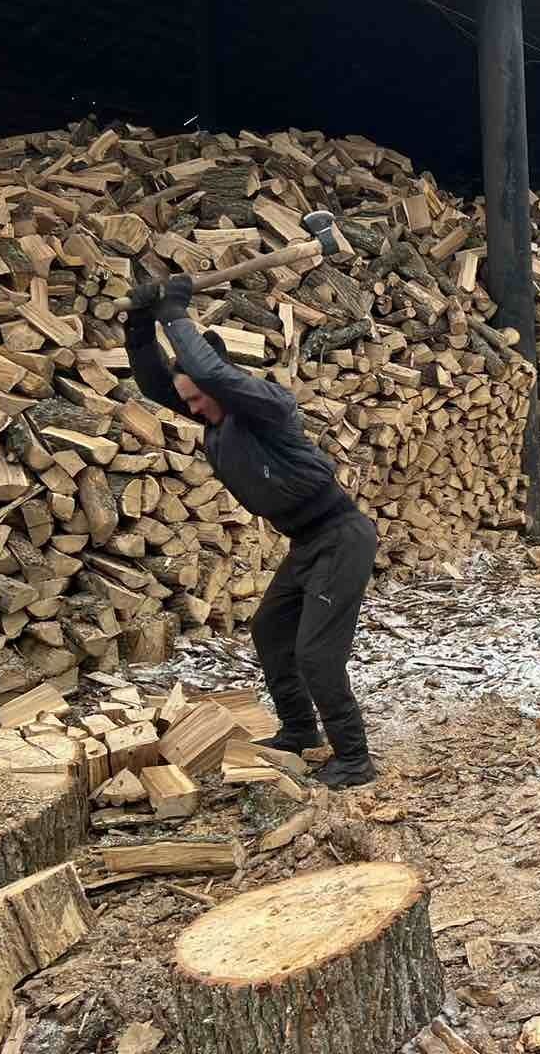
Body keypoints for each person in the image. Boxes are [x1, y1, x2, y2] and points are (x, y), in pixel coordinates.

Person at [125, 274, 378, 787]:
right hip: (308, 542)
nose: (192, 410)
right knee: (269, 630)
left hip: (341, 536)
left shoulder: (265, 407)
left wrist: (175, 311)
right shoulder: (218, 419)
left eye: (197, 399)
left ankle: (354, 760)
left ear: (219, 386)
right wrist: (138, 321)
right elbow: (155, 384)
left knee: (316, 654)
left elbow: (208, 371)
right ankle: (300, 731)